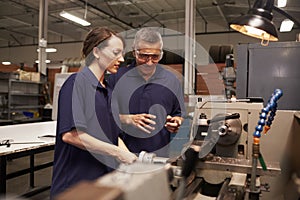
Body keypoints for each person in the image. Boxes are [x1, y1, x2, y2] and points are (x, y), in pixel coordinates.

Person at [50, 27, 137, 198]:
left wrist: (133, 161)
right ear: (96, 52)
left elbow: (113, 134)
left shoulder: (109, 90)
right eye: (116, 52)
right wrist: (119, 153)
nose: (121, 59)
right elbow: (71, 135)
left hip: (103, 182)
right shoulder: (76, 84)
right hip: (75, 185)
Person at [109, 27, 185, 157]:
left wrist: (176, 121)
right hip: (122, 155)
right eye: (144, 56)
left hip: (159, 156)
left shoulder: (171, 81)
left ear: (161, 54)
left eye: (155, 57)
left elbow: (179, 113)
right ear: (134, 52)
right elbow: (103, 116)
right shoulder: (116, 78)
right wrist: (127, 119)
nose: (149, 62)